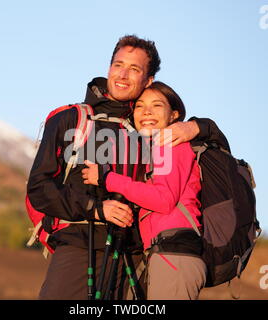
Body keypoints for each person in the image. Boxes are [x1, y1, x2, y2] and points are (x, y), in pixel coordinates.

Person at [27, 34, 226, 300]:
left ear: (148, 80)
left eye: (135, 69)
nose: (123, 74)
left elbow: (218, 147)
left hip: (137, 255)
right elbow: (39, 188)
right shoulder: (71, 119)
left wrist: (198, 126)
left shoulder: (154, 128)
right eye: (118, 64)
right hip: (78, 245)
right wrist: (96, 209)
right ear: (109, 67)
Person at [82, 81, 207, 300]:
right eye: (140, 106)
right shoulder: (151, 150)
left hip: (174, 253)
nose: (146, 112)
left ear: (174, 115)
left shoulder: (170, 143)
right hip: (165, 254)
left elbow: (163, 199)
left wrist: (107, 179)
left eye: (157, 105)